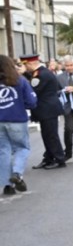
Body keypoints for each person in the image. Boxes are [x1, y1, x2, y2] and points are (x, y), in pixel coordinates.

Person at [20, 54, 65, 170]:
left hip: (47, 109)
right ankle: (49, 158)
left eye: (25, 65)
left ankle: (59, 159)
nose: (25, 68)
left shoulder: (40, 75)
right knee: (47, 135)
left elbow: (33, 90)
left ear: (30, 64)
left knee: (51, 135)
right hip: (46, 109)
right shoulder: (41, 73)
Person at [0, 55, 36, 195]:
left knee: (3, 151)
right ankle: (17, 173)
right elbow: (31, 102)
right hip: (17, 119)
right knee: (22, 148)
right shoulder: (19, 81)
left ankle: (7, 185)